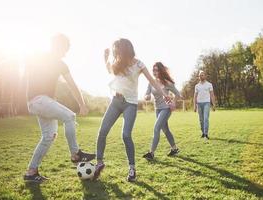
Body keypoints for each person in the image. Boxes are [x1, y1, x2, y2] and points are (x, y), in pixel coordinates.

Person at [93, 38, 171, 182]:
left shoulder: (139, 64)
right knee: (102, 131)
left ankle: (132, 169)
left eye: (117, 50)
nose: (115, 52)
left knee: (126, 135)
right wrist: (105, 58)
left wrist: (165, 94)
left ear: (124, 50)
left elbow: (152, 81)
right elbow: (110, 70)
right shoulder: (118, 63)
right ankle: (99, 163)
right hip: (116, 101)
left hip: (130, 104)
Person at [23, 34, 96, 183]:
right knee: (70, 116)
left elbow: (72, 85)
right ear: (59, 46)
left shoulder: (46, 59)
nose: (65, 52)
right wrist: (81, 105)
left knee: (49, 136)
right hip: (39, 100)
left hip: (37, 102)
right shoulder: (47, 60)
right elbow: (72, 85)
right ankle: (75, 154)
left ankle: (31, 172)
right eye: (65, 49)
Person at [143, 62, 182, 160]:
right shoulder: (151, 82)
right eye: (153, 70)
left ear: (161, 71)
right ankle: (175, 149)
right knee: (165, 130)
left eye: (156, 70)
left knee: (156, 128)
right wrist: (147, 97)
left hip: (166, 108)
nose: (154, 72)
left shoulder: (167, 83)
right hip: (157, 109)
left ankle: (151, 153)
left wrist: (173, 102)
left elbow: (178, 94)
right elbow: (146, 94)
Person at [194, 71, 216, 140]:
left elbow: (212, 95)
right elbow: (195, 96)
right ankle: (203, 133)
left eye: (202, 75)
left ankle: (206, 134)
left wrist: (214, 104)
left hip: (207, 103)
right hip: (199, 104)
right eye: (200, 75)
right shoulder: (197, 86)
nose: (201, 76)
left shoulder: (209, 84)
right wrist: (194, 105)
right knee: (201, 120)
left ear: (205, 76)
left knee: (206, 118)